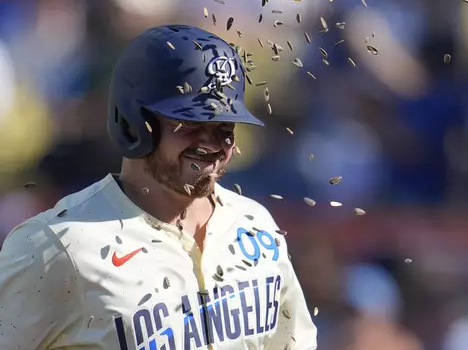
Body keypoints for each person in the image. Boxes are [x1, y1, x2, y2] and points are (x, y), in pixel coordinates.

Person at [0, 24, 318, 350]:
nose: (211, 144)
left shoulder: (255, 225)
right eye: (191, 124)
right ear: (134, 124)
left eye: (224, 126)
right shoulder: (55, 247)